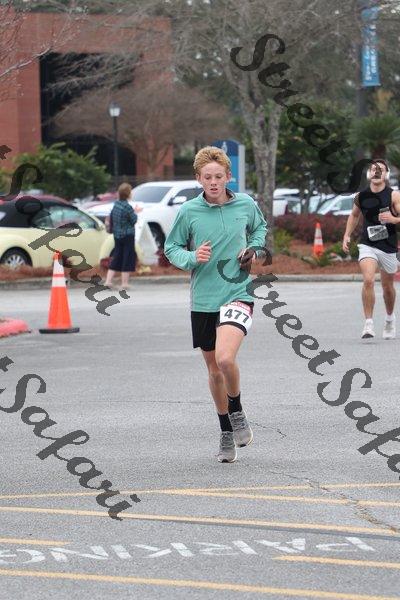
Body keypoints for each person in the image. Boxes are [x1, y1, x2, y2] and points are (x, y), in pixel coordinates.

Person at [164, 146, 267, 463]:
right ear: (198, 178)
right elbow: (171, 247)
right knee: (213, 369)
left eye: (218, 176)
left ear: (228, 177)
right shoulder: (189, 211)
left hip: (238, 292)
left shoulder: (245, 204)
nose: (213, 182)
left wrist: (253, 248)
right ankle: (225, 431)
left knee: (225, 359)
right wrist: (192, 257)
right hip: (204, 299)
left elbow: (259, 228)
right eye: (207, 177)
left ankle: (236, 408)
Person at [342, 159, 400, 339]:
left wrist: (393, 219)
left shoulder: (394, 196)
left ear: (386, 175)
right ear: (369, 173)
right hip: (367, 244)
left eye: (380, 169)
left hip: (388, 246)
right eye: (374, 169)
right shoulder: (361, 196)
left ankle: (389, 319)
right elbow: (354, 216)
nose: (376, 172)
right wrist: (347, 235)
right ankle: (368, 324)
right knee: (368, 280)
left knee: (387, 287)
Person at [105, 182, 140, 291]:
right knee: (127, 257)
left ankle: (108, 281)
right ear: (128, 194)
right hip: (128, 235)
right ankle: (124, 283)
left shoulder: (116, 205)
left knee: (117, 256)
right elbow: (134, 220)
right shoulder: (127, 207)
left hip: (117, 235)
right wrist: (136, 212)